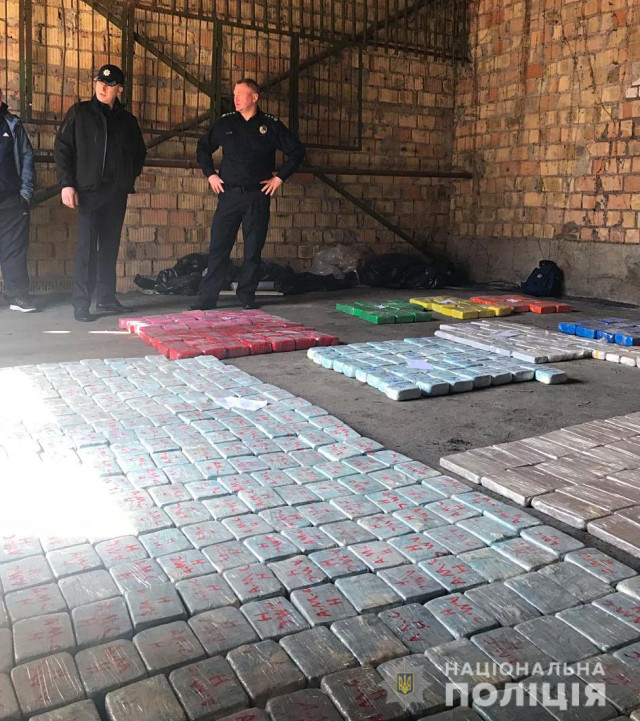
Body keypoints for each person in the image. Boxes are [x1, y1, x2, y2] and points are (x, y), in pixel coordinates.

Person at [193, 78, 306, 310]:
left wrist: (279, 178)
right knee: (219, 247)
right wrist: (210, 174)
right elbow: (203, 148)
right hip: (229, 194)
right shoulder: (226, 123)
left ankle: (246, 296)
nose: (235, 98)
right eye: (234, 94)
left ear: (254, 98)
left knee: (253, 249)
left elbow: (297, 151)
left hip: (257, 196)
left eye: (240, 94)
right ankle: (207, 298)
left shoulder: (270, 125)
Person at [54, 64, 146, 322]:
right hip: (89, 192)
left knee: (109, 247)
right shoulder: (80, 113)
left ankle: (106, 298)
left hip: (116, 193)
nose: (102, 88)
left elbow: (140, 152)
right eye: (99, 82)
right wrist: (67, 184)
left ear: (120, 89)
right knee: (86, 249)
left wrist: (127, 178)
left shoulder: (127, 121)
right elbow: (62, 148)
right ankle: (81, 304)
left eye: (109, 84)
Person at [0, 89, 37, 312]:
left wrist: (25, 194)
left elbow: (26, 157)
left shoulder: (12, 124)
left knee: (14, 250)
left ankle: (17, 296)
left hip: (11, 201)